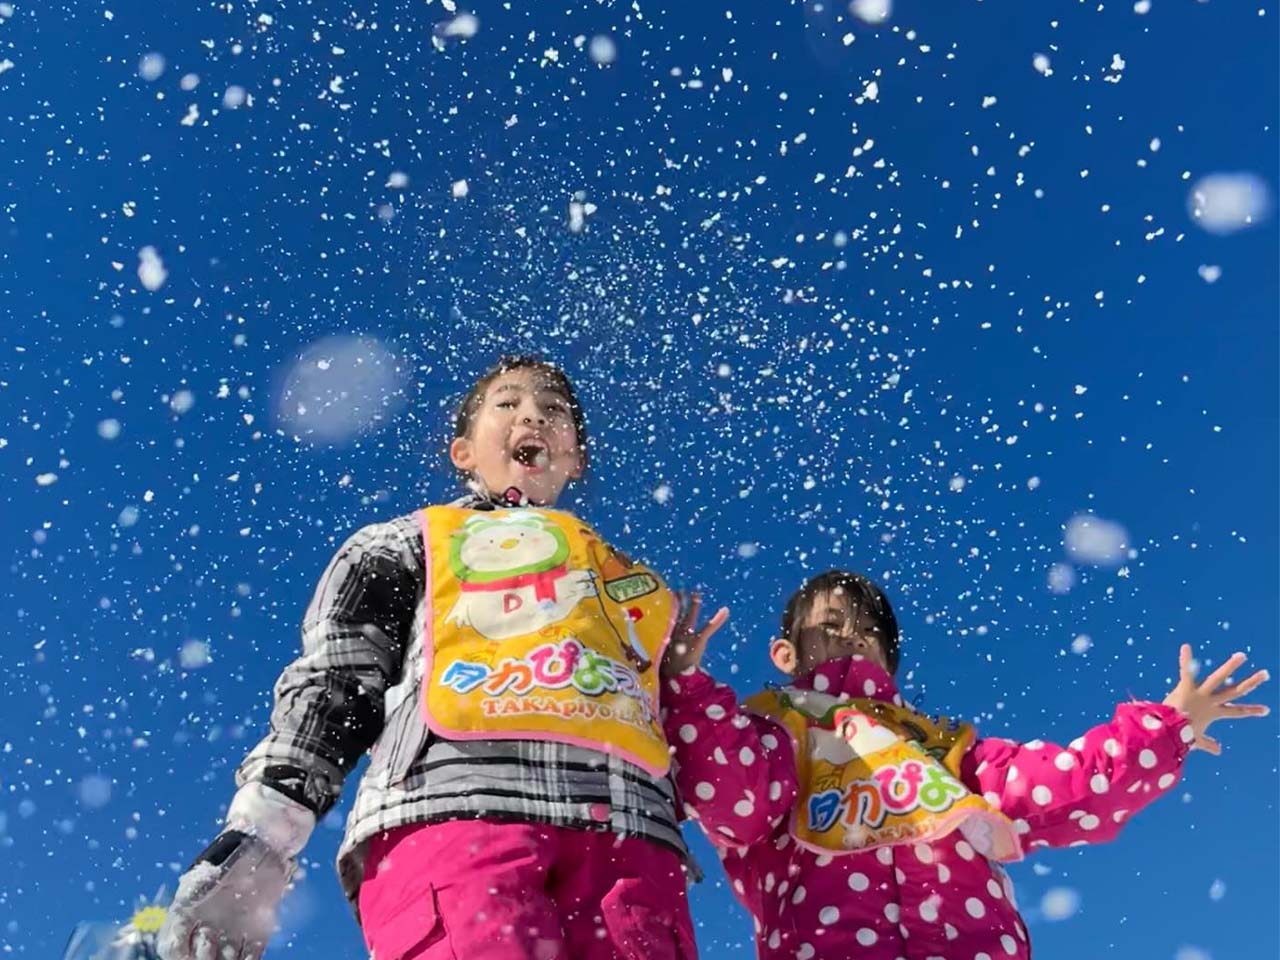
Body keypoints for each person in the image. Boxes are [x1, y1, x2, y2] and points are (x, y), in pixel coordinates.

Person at [159, 356, 723, 960]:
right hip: (456, 819)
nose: (532, 412)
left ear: (576, 458)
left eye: (553, 408)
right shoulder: (410, 541)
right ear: (462, 452)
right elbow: (337, 683)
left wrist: (684, 683)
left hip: (629, 851)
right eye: (507, 403)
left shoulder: (630, 587)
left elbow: (690, 759)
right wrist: (264, 834)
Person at [660, 570, 1270, 960]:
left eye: (868, 628)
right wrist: (684, 686)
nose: (852, 634)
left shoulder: (943, 749)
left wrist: (1167, 726)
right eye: (831, 624)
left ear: (890, 662)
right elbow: (734, 802)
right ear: (784, 652)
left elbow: (1064, 786)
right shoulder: (776, 732)